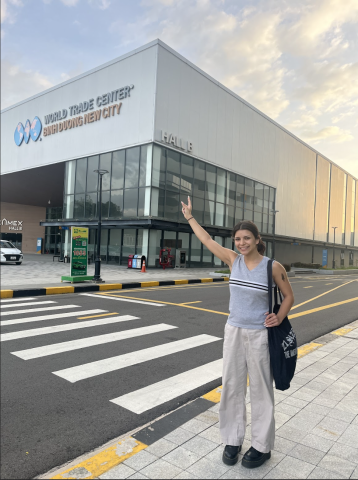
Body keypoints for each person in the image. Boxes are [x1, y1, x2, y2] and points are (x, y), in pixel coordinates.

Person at [181, 196, 294, 469]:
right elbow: (207, 240)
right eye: (237, 239)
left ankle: (261, 446)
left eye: (246, 238)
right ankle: (233, 439)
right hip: (233, 331)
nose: (241, 243)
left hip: (259, 336)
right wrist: (189, 217)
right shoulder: (234, 261)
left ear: (257, 239)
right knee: (231, 386)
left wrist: (278, 317)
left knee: (260, 390)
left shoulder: (272, 267)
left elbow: (289, 296)